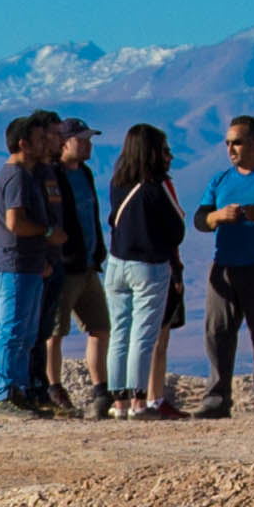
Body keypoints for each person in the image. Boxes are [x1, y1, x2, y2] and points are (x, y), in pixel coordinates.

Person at [190, 113, 254, 416]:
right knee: (217, 333)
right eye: (227, 143)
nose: (230, 149)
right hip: (225, 267)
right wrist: (218, 217)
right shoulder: (220, 180)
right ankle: (216, 400)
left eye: (237, 142)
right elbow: (200, 219)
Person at [0, 112, 70, 414]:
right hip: (15, 264)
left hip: (29, 265)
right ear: (23, 143)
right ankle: (5, 393)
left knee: (26, 332)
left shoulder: (28, 174)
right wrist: (47, 233)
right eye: (39, 138)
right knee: (13, 330)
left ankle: (19, 390)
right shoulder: (17, 176)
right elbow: (15, 222)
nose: (46, 143)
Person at [101, 122, 185, 418]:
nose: (168, 156)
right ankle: (139, 401)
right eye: (164, 150)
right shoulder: (157, 186)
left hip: (115, 265)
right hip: (148, 268)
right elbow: (177, 228)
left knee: (119, 333)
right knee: (143, 335)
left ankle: (119, 401)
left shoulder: (117, 183)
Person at [46, 119, 113, 409]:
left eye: (89, 139)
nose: (88, 145)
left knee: (100, 328)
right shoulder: (52, 177)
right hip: (64, 267)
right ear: (64, 142)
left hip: (88, 265)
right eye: (81, 140)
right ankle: (53, 388)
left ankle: (101, 391)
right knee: (55, 332)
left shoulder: (84, 173)